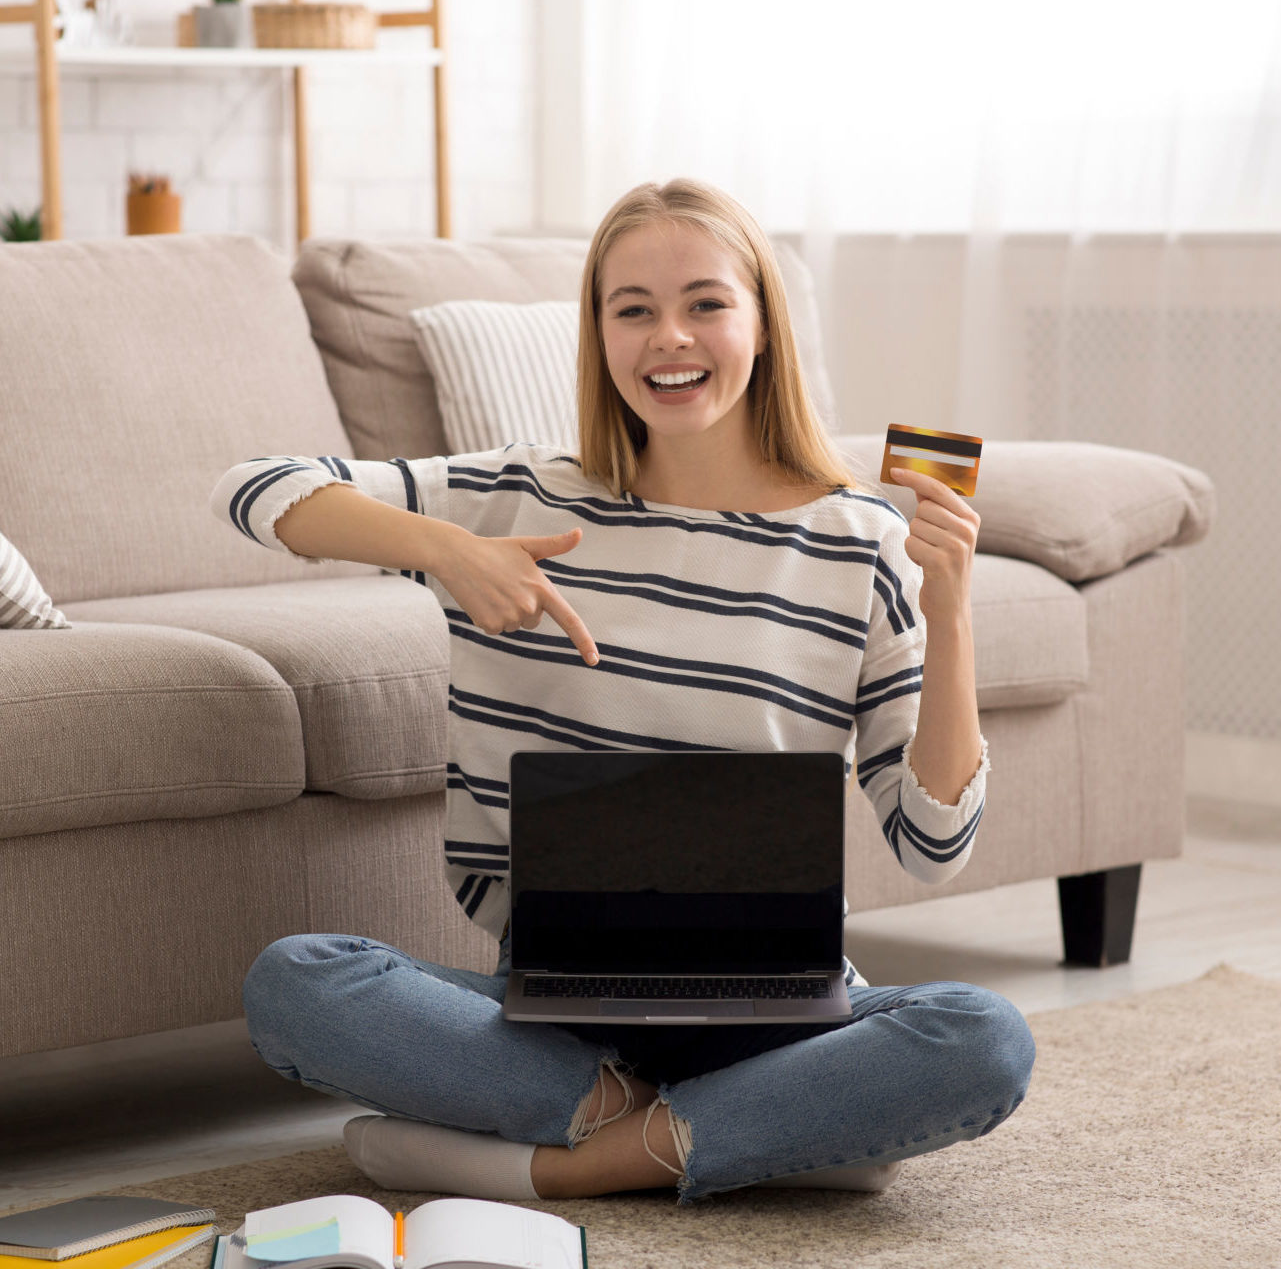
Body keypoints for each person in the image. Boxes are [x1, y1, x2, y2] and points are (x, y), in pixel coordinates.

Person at [211, 178, 1035, 1204]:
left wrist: (950, 608)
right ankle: (739, 1131)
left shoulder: (858, 541)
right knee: (298, 982)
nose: (668, 338)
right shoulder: (524, 493)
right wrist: (449, 551)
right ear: (597, 334)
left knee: (983, 1035)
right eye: (631, 309)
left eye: (704, 303)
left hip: (777, 1003)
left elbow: (933, 842)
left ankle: (561, 1159)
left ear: (763, 323)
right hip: (552, 999)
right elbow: (252, 485)